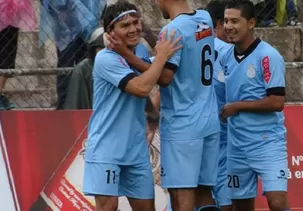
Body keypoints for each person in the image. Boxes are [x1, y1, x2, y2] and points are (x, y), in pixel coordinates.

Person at [106, 0, 221, 210]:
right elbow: (183, 55)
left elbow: (166, 76)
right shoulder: (204, 18)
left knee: (181, 197)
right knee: (204, 192)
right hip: (208, 118)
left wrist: (127, 55)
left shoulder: (172, 29)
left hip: (183, 124)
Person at [82, 1, 182, 211]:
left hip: (136, 150)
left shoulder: (141, 54)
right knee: (108, 207)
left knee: (147, 208)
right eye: (125, 25)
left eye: (136, 23)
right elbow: (141, 88)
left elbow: (163, 71)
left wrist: (153, 42)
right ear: (111, 32)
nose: (133, 29)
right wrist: (161, 55)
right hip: (106, 149)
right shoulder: (105, 58)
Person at [220, 1, 289, 210]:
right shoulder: (225, 57)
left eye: (234, 21)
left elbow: (277, 102)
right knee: (240, 206)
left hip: (267, 143)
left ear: (251, 23)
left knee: (277, 203)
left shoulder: (268, 56)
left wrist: (238, 106)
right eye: (225, 21)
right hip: (237, 145)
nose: (229, 26)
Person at [206, 1, 233, 211]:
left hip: (199, 134)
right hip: (223, 137)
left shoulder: (192, 46)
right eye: (229, 22)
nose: (233, 28)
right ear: (219, 23)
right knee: (226, 200)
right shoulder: (231, 52)